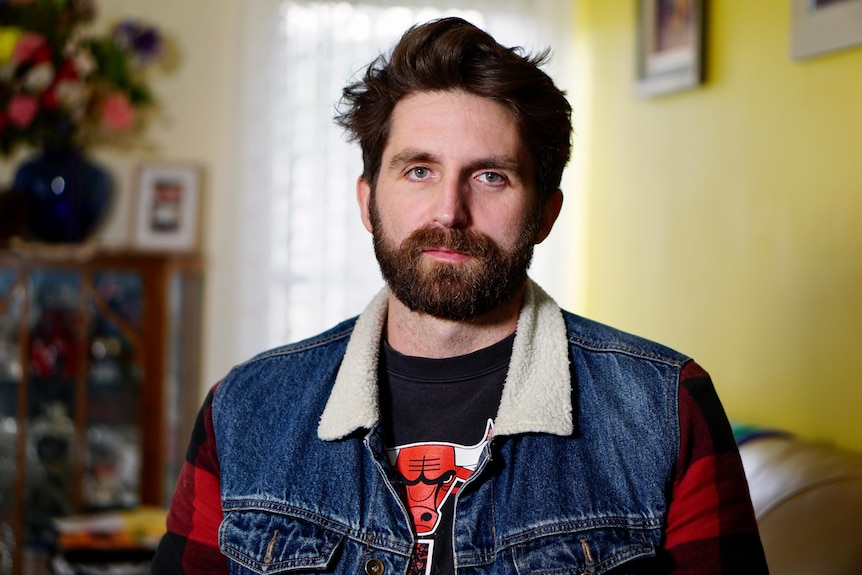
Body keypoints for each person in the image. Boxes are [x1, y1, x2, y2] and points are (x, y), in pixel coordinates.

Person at [152, 17, 768, 575]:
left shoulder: (666, 410)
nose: (450, 211)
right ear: (368, 201)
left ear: (545, 213)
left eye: (490, 176)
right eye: (419, 170)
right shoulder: (244, 412)